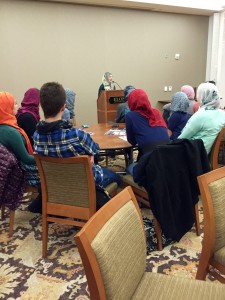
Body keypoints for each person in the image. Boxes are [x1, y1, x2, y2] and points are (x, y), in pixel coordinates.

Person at [33, 81, 121, 196]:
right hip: (84, 185)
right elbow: (95, 150)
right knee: (117, 177)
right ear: (64, 107)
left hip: (55, 187)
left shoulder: (37, 136)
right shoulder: (77, 135)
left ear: (41, 106)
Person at [125, 89, 170, 175]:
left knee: (130, 167)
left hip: (152, 162)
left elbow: (132, 142)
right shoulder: (156, 112)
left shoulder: (130, 116)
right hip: (169, 157)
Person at [178, 82, 225, 154]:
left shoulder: (200, 116)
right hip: (206, 155)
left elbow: (181, 138)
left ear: (200, 96)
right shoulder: (222, 114)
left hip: (194, 155)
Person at [0, 91, 35, 165]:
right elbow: (26, 159)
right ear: (7, 107)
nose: (18, 106)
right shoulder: (11, 132)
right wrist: (44, 158)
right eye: (15, 103)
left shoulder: (5, 126)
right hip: (17, 173)